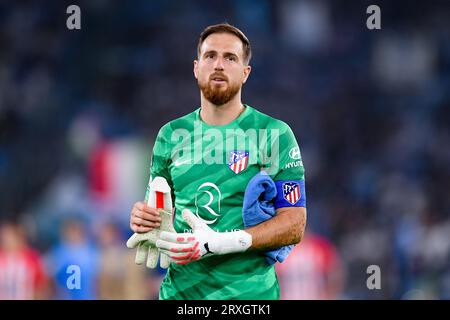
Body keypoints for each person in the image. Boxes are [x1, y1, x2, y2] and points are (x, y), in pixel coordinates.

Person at [129, 23, 307, 300]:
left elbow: (295, 223)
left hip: (250, 296)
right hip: (181, 295)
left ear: (245, 73)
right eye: (211, 56)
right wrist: (144, 219)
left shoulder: (274, 134)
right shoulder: (171, 135)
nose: (219, 65)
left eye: (230, 58)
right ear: (196, 68)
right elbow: (157, 207)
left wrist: (222, 242)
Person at [0, 219, 49, 299]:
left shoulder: (32, 257)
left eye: (10, 236)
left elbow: (42, 286)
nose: (7, 240)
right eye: (4, 237)